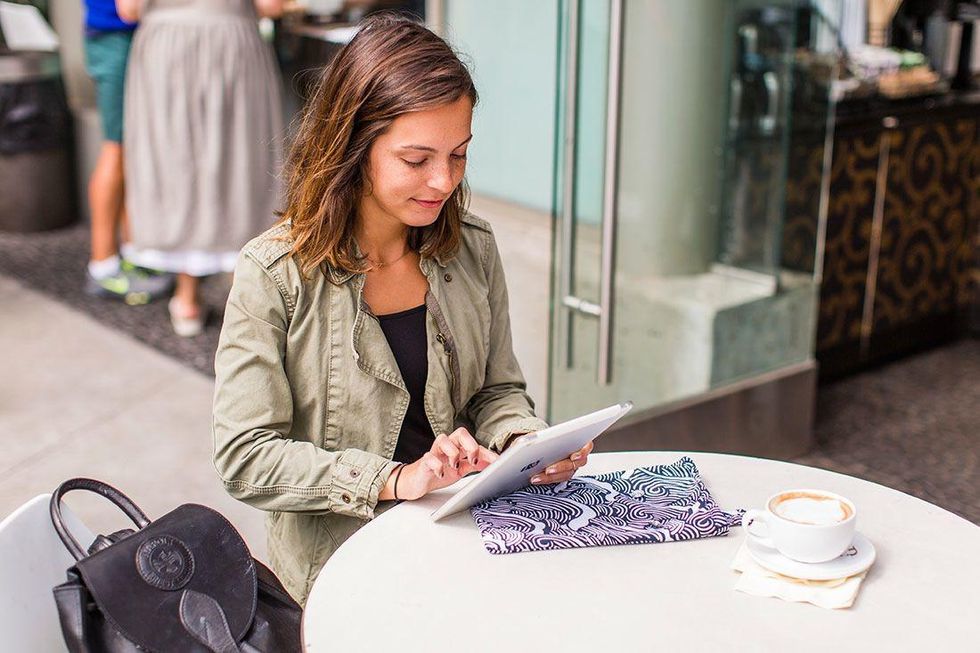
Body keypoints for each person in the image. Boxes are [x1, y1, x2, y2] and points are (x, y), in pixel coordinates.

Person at [212, 14, 593, 605]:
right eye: (417, 160)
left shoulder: (472, 245)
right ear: (353, 146)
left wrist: (525, 443)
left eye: (459, 155)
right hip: (341, 572)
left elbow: (497, 391)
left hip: (464, 547)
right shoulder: (275, 274)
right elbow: (245, 456)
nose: (443, 181)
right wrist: (394, 478)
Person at [115, 0, 285, 336]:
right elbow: (273, 5)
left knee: (178, 165)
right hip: (231, 44)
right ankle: (248, 299)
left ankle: (187, 298)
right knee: (240, 163)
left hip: (165, 51)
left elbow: (129, 9)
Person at [81, 0, 173, 304]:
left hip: (120, 37)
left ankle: (131, 253)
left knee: (130, 152)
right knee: (116, 148)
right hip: (113, 38)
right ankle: (103, 265)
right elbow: (127, 9)